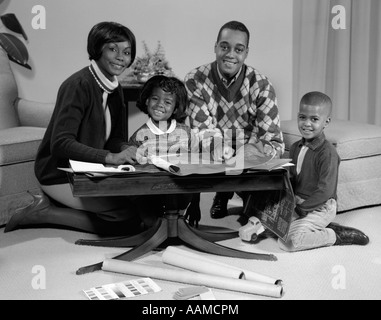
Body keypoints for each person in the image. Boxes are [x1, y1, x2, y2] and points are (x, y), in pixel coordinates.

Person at [5, 21, 142, 235]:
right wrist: (109, 157)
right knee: (129, 223)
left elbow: (114, 139)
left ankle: (58, 209)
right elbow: (60, 144)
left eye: (126, 52)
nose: (121, 57)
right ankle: (42, 212)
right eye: (112, 49)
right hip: (59, 173)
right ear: (97, 49)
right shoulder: (78, 85)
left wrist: (127, 149)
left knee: (141, 213)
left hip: (91, 169)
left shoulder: (115, 90)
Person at [184, 20, 284, 220]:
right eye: (224, 47)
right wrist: (226, 152)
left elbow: (272, 139)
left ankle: (229, 194)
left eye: (238, 49)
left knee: (264, 218)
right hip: (213, 149)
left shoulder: (262, 84)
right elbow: (203, 130)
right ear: (215, 47)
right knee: (189, 143)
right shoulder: (195, 79)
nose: (230, 54)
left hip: (248, 152)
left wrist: (251, 152)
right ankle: (196, 202)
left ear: (246, 52)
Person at [278, 91, 369, 251]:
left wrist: (301, 210)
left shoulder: (327, 153)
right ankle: (313, 226)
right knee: (273, 228)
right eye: (302, 117)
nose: (307, 123)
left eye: (314, 119)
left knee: (289, 242)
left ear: (326, 122)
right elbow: (292, 178)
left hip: (321, 206)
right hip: (300, 202)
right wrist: (286, 201)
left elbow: (325, 191)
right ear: (298, 116)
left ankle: (334, 234)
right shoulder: (294, 148)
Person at [124, 75, 199, 227]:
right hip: (150, 193)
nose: (159, 105)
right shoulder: (139, 136)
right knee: (152, 225)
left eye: (167, 102)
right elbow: (132, 177)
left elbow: (197, 171)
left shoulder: (187, 133)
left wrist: (195, 204)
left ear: (175, 108)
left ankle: (174, 223)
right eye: (155, 99)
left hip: (181, 192)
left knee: (175, 225)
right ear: (146, 101)